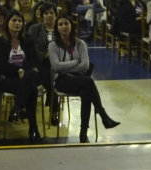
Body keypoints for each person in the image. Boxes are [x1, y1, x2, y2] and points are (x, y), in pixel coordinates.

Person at [49, 14, 119, 142]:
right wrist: (76, 62)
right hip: (62, 80)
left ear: (71, 26)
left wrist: (68, 66)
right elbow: (56, 66)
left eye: (66, 23)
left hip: (79, 79)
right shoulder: (53, 45)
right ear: (56, 28)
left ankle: (83, 133)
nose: (64, 27)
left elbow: (85, 65)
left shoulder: (80, 44)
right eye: (60, 24)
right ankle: (103, 115)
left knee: (86, 92)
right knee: (89, 81)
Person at [0, 11, 43, 142]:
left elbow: (35, 60)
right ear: (8, 23)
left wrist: (24, 70)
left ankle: (18, 107)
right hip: (9, 79)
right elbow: (2, 67)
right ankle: (33, 128)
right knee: (32, 89)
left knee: (31, 77)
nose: (17, 23)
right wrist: (20, 70)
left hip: (26, 77)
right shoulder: (0, 42)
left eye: (20, 21)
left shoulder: (27, 39)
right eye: (14, 20)